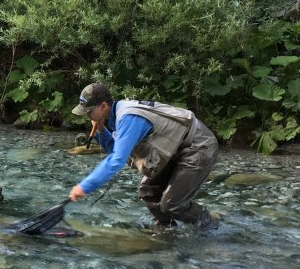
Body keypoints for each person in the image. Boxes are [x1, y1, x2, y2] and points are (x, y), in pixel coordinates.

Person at [68, 82, 218, 228]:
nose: (87, 116)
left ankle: (211, 224)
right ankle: (167, 231)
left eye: (89, 112)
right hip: (176, 150)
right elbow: (120, 150)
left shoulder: (128, 118)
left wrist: (85, 186)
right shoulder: (117, 116)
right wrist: (101, 130)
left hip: (197, 146)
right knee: (148, 192)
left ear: (104, 106)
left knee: (172, 204)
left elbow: (117, 160)